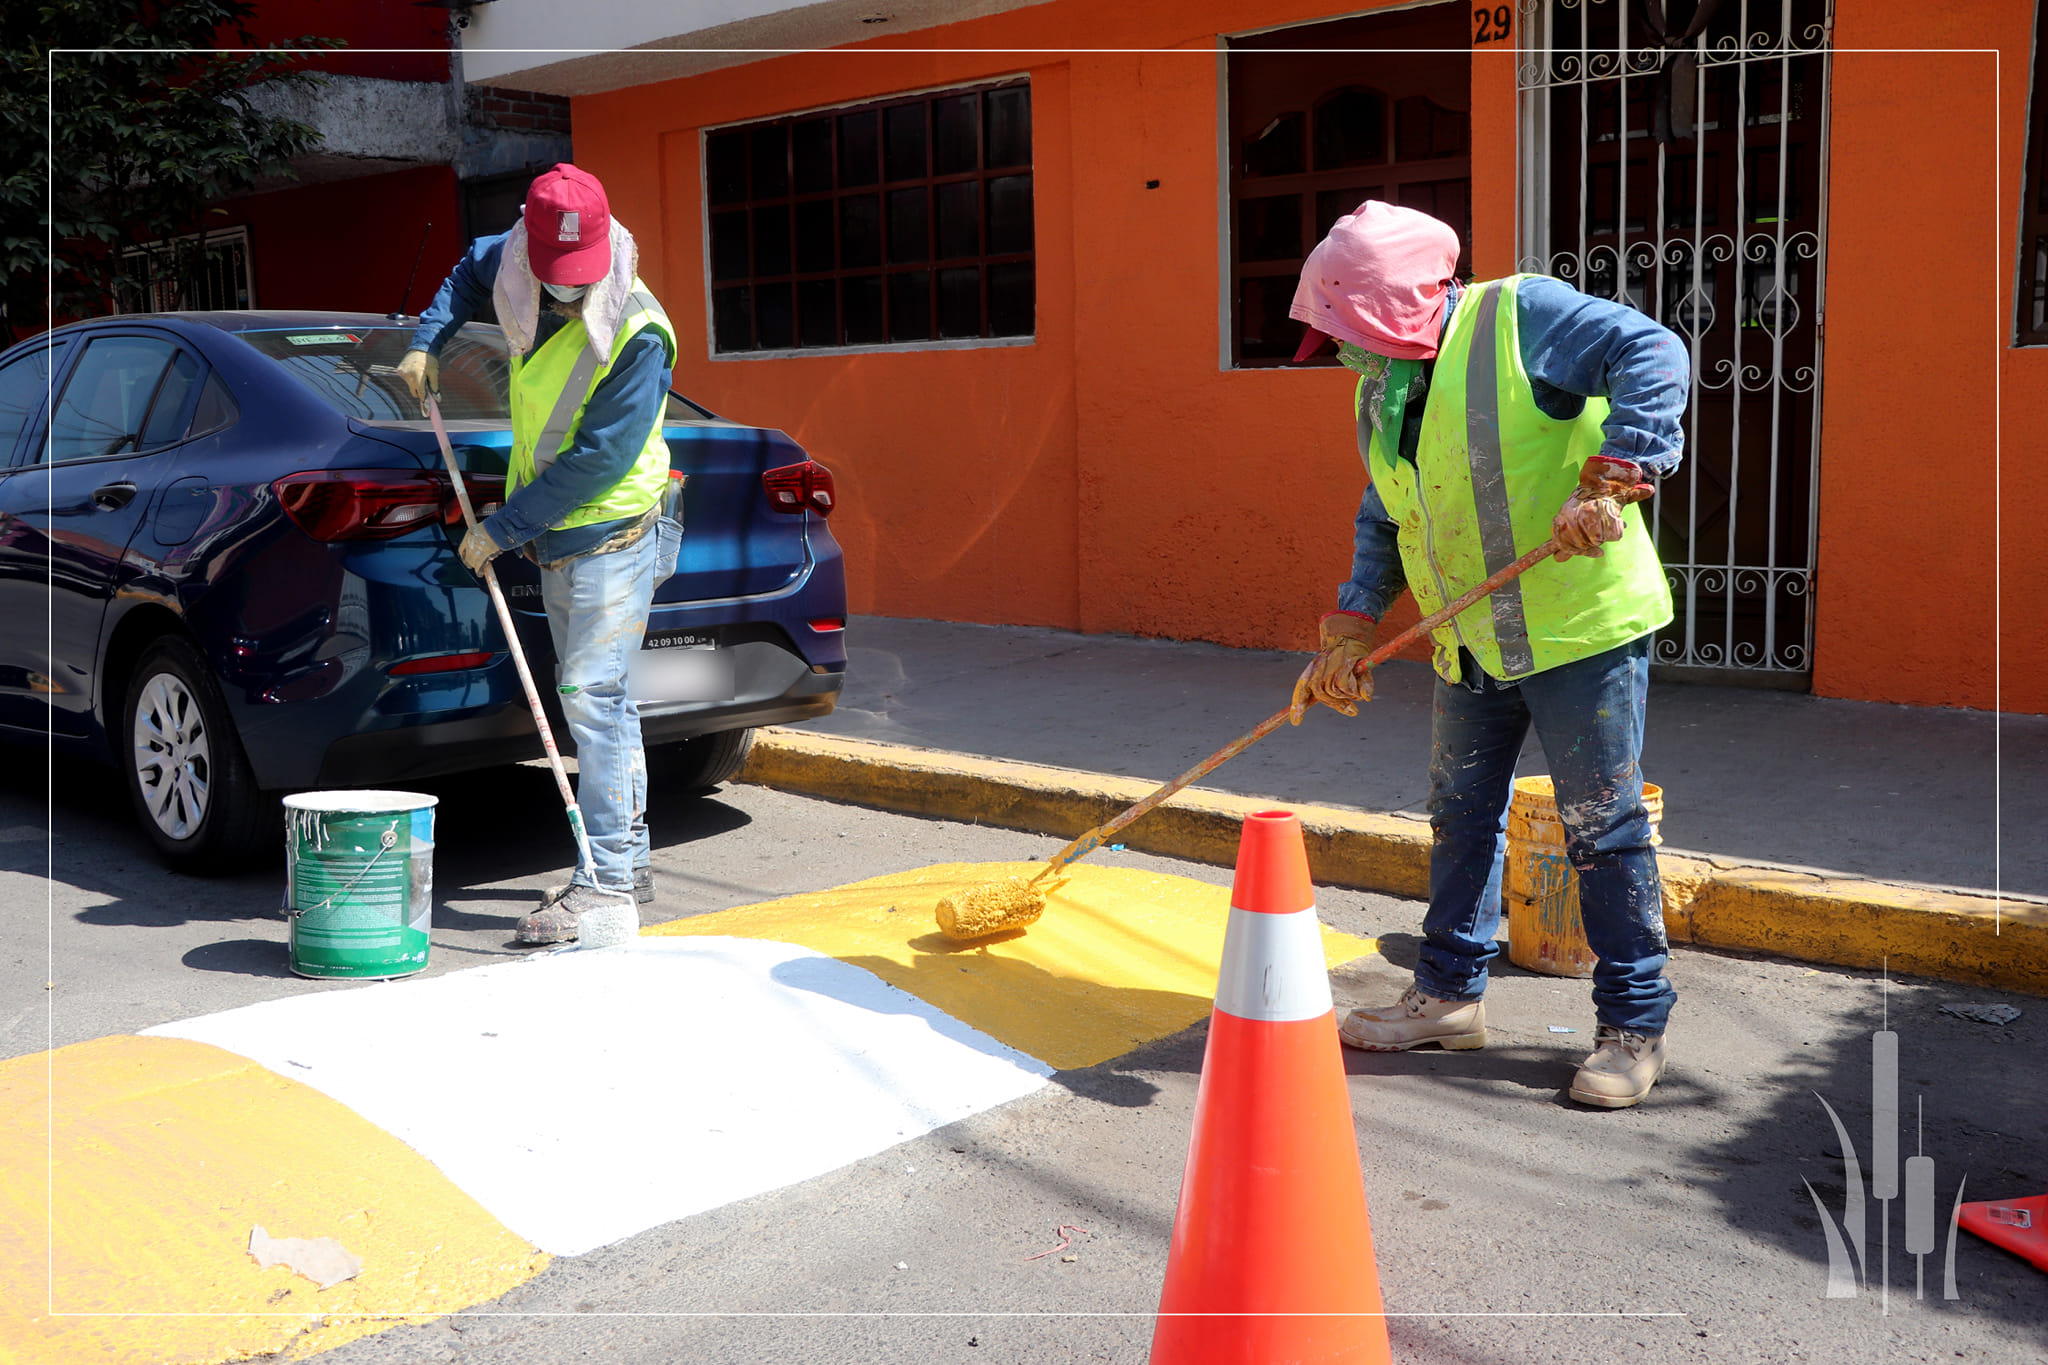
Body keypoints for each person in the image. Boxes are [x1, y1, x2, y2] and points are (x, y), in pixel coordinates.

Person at [1286, 201, 1689, 1109]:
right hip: (1473, 644)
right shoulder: (1382, 392)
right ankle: (1447, 994)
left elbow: (1655, 351)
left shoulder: (1521, 317)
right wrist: (1353, 622)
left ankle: (1634, 1024)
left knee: (1604, 829)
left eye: (1350, 334)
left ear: (1393, 308)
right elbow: (1389, 507)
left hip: (1578, 629)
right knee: (1460, 816)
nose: (1346, 356)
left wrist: (1621, 471)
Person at [397, 163, 680, 946]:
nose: (562, 293)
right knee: (602, 699)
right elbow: (462, 275)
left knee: (592, 698)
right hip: (561, 534)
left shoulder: (637, 333)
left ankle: (610, 881)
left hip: (611, 532)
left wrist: (503, 527)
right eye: (553, 279)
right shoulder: (515, 255)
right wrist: (429, 343)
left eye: (576, 280)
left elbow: (597, 458)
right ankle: (628, 858)